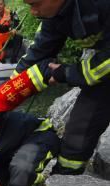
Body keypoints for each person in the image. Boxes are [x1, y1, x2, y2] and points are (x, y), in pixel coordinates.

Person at [15, 0, 110, 175]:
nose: (33, 12)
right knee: (79, 129)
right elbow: (40, 50)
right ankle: (64, 180)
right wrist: (9, 90)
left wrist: (66, 73)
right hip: (103, 64)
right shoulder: (56, 13)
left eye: (35, 4)